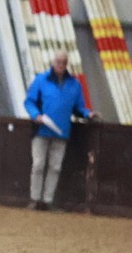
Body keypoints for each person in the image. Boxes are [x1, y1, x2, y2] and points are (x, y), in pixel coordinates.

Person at [24, 50, 98, 210]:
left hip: (61, 132)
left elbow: (79, 107)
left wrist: (88, 113)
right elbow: (29, 101)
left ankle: (47, 201)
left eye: (63, 63)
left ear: (66, 64)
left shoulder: (74, 85)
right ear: (53, 62)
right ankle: (35, 199)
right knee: (38, 164)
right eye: (58, 62)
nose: (60, 65)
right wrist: (36, 115)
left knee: (55, 167)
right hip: (41, 130)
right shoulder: (40, 80)